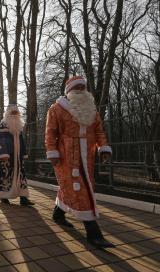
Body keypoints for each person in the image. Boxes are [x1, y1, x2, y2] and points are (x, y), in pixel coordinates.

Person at [45, 75, 114, 248]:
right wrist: (52, 152)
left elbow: (99, 132)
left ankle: (58, 214)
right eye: (77, 88)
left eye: (83, 88)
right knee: (79, 188)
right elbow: (50, 132)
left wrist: (103, 148)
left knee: (71, 187)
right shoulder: (57, 109)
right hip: (67, 156)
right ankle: (93, 233)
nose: (81, 91)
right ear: (69, 91)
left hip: (87, 156)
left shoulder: (92, 110)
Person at [0, 104, 35, 206]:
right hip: (7, 157)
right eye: (12, 112)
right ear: (8, 113)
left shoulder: (19, 125)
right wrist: (3, 154)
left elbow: (21, 141)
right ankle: (4, 197)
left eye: (16, 112)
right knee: (6, 175)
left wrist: (23, 153)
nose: (14, 114)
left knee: (21, 176)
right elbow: (1, 140)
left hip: (18, 157)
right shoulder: (3, 124)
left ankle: (23, 198)